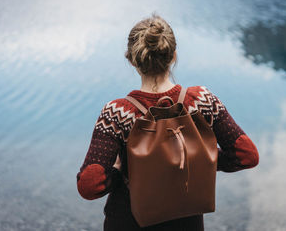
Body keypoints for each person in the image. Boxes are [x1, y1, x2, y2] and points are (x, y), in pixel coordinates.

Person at [76, 13, 259, 231]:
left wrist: (119, 171)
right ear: (173, 56)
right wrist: (200, 158)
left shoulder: (117, 113)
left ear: (132, 60)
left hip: (129, 221)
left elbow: (89, 186)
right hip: (186, 221)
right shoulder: (202, 100)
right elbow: (247, 155)